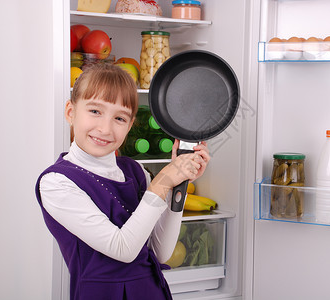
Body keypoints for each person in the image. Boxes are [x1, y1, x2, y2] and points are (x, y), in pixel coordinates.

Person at [35, 64, 210, 300]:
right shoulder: (56, 182)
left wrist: (179, 185)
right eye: (95, 111)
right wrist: (165, 180)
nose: (105, 128)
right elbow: (123, 248)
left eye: (119, 118)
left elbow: (161, 252)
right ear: (70, 112)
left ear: (129, 126)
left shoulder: (135, 171)